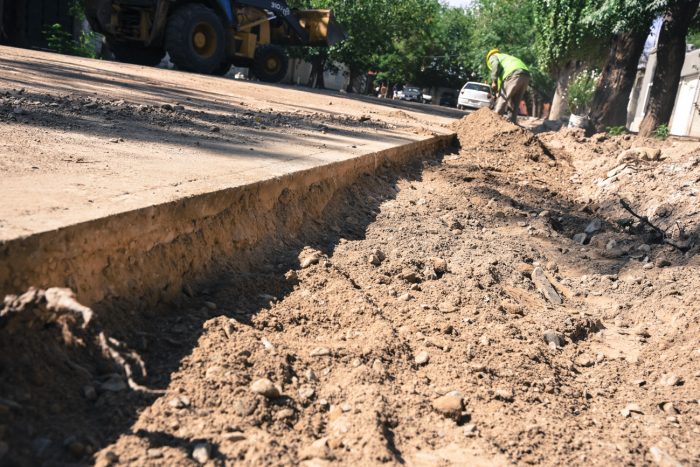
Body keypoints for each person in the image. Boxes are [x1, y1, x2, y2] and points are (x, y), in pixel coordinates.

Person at [486, 48, 530, 123]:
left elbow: (495, 64)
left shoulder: (493, 57)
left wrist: (493, 81)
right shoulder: (506, 58)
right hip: (525, 75)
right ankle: (512, 124)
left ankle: (494, 122)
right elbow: (502, 82)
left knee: (502, 100)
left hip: (513, 73)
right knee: (515, 103)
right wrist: (498, 91)